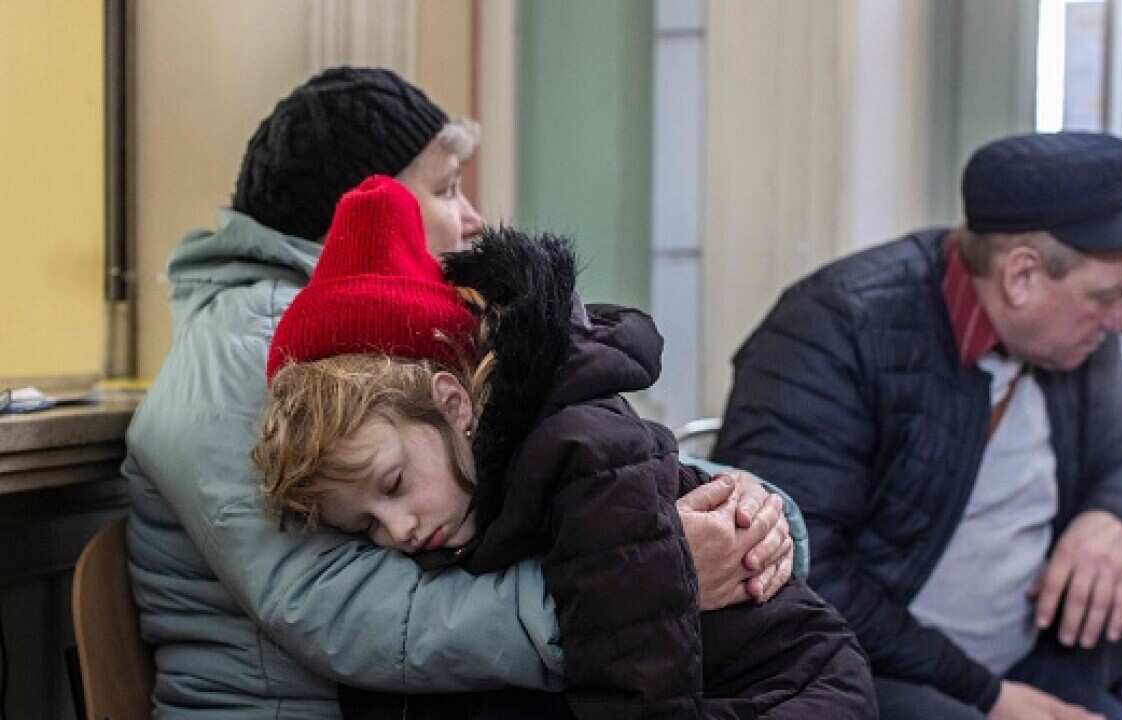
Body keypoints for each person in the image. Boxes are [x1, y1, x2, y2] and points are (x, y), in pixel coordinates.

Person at [123, 67, 799, 719]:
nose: (472, 218)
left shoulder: (357, 340)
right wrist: (649, 583)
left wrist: (747, 514)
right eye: (446, 190)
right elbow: (345, 610)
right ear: (358, 209)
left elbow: (562, 466)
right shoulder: (270, 355)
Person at [251, 175, 877, 719]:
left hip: (791, 689)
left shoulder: (581, 453)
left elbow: (638, 677)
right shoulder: (468, 490)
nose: (398, 529)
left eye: (392, 486)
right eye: (365, 525)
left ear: (453, 403)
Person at [712, 132, 1122, 720]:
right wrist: (987, 697)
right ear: (1022, 276)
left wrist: (1115, 515)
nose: (1119, 321)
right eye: (1106, 296)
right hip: (863, 674)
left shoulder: (1075, 341)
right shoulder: (833, 332)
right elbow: (800, 574)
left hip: (1024, 667)